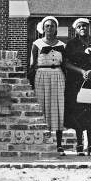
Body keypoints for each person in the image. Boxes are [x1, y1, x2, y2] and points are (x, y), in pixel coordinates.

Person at [64, 17, 91, 155]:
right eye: (80, 26)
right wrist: (81, 71)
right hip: (76, 83)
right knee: (78, 113)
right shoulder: (71, 44)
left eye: (85, 26)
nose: (83, 28)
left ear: (89, 27)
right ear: (76, 29)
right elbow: (66, 62)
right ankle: (80, 145)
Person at [29, 16, 67, 155]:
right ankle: (43, 142)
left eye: (52, 26)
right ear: (43, 28)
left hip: (57, 75)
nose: (49, 28)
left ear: (56, 28)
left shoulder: (62, 45)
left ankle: (59, 144)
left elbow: (65, 64)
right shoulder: (37, 44)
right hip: (41, 75)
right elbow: (32, 65)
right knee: (42, 106)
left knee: (57, 107)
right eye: (47, 26)